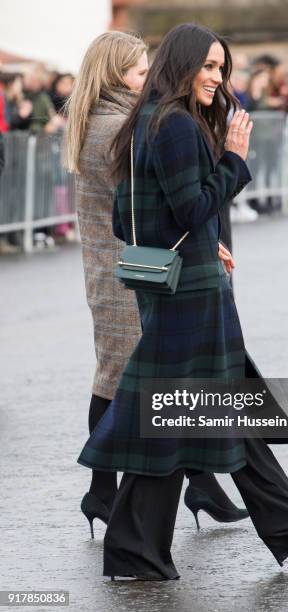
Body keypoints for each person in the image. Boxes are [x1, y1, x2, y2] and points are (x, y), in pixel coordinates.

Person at [77, 23, 288, 581]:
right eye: (209, 67)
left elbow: (129, 217)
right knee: (182, 413)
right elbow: (193, 207)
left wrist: (198, 234)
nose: (217, 78)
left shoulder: (145, 122)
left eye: (223, 68)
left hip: (174, 287)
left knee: (213, 407)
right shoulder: (175, 126)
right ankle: (138, 546)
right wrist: (234, 161)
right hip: (191, 295)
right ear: (183, 64)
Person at [65, 30, 247, 538]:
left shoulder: (98, 118)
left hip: (118, 263)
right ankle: (112, 490)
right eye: (141, 71)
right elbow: (159, 202)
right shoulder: (123, 123)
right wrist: (201, 238)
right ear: (115, 74)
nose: (151, 78)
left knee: (128, 376)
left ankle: (168, 485)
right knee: (133, 381)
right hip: (140, 264)